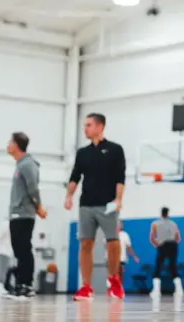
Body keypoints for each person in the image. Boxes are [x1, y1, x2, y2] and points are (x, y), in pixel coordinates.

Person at [64, 113, 127, 301]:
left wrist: (118, 199)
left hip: (107, 204)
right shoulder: (83, 153)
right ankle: (86, 286)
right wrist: (69, 196)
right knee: (85, 244)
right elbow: (75, 176)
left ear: (100, 127)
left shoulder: (115, 150)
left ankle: (114, 280)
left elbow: (120, 178)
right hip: (86, 205)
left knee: (113, 242)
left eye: (89, 125)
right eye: (85, 125)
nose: (85, 128)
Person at [6, 131, 47, 300]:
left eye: (10, 142)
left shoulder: (28, 164)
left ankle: (26, 285)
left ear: (16, 145)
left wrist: (39, 206)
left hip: (24, 213)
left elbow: (33, 188)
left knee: (24, 248)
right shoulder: (20, 164)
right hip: (16, 213)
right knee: (19, 249)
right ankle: (20, 284)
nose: (7, 145)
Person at [149, 207, 183, 301]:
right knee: (173, 266)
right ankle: (179, 290)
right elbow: (178, 238)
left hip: (162, 244)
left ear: (161, 214)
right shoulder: (173, 224)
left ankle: (156, 290)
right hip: (173, 245)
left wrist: (157, 245)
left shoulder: (155, 223)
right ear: (168, 214)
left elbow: (151, 237)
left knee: (158, 266)